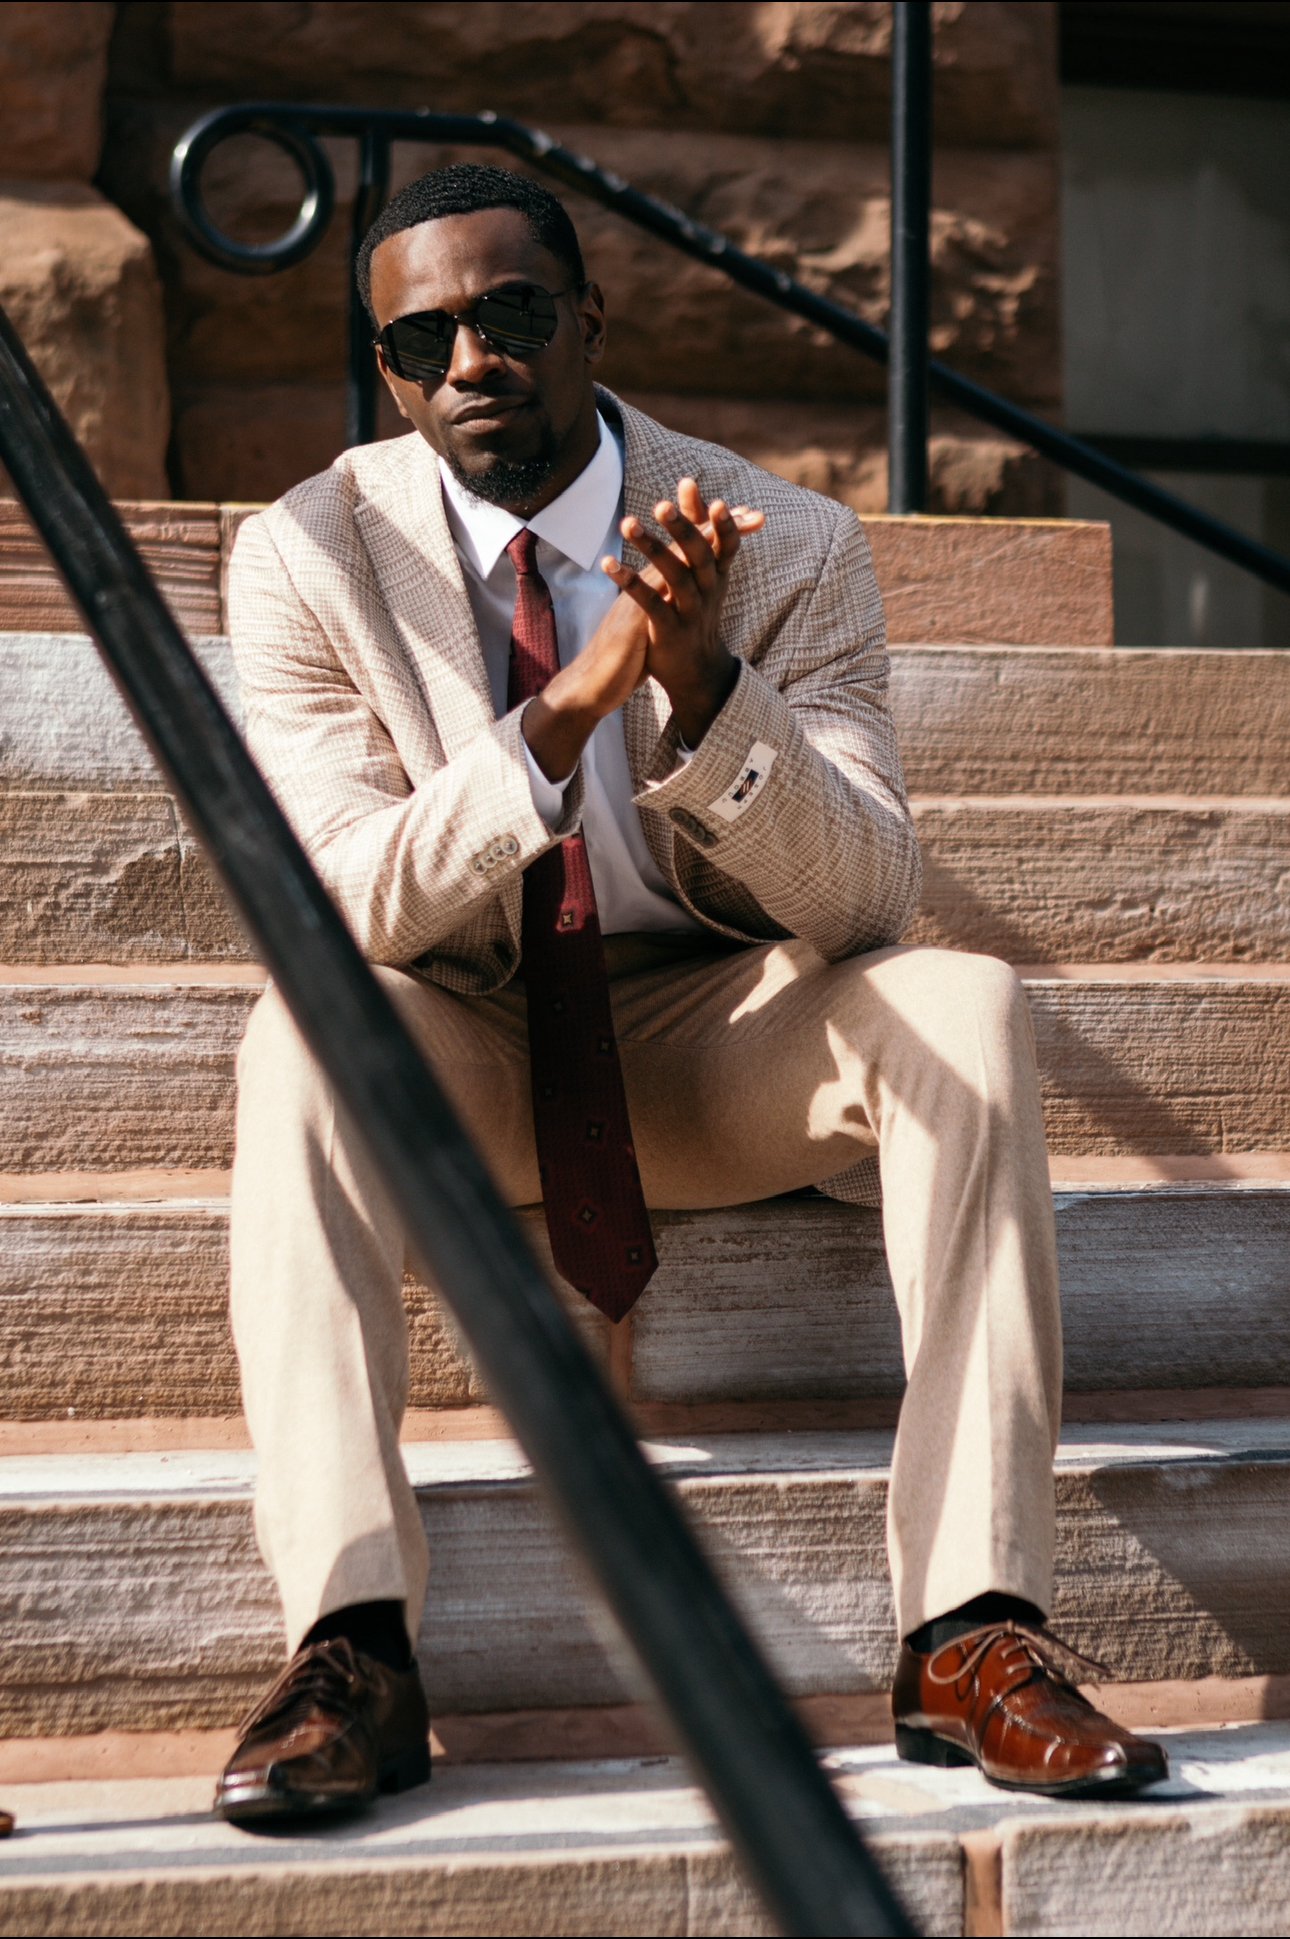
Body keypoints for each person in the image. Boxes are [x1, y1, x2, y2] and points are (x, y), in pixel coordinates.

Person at [214, 162, 1166, 1825]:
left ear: (589, 317)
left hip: (715, 1034)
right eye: (422, 340)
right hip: (473, 1033)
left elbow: (865, 897)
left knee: (964, 1006)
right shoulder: (306, 554)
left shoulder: (783, 540)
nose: (470, 362)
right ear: (388, 370)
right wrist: (560, 718)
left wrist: (708, 687)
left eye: (509, 313)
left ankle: (968, 1633)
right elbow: (350, 899)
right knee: (300, 1035)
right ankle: (350, 1649)